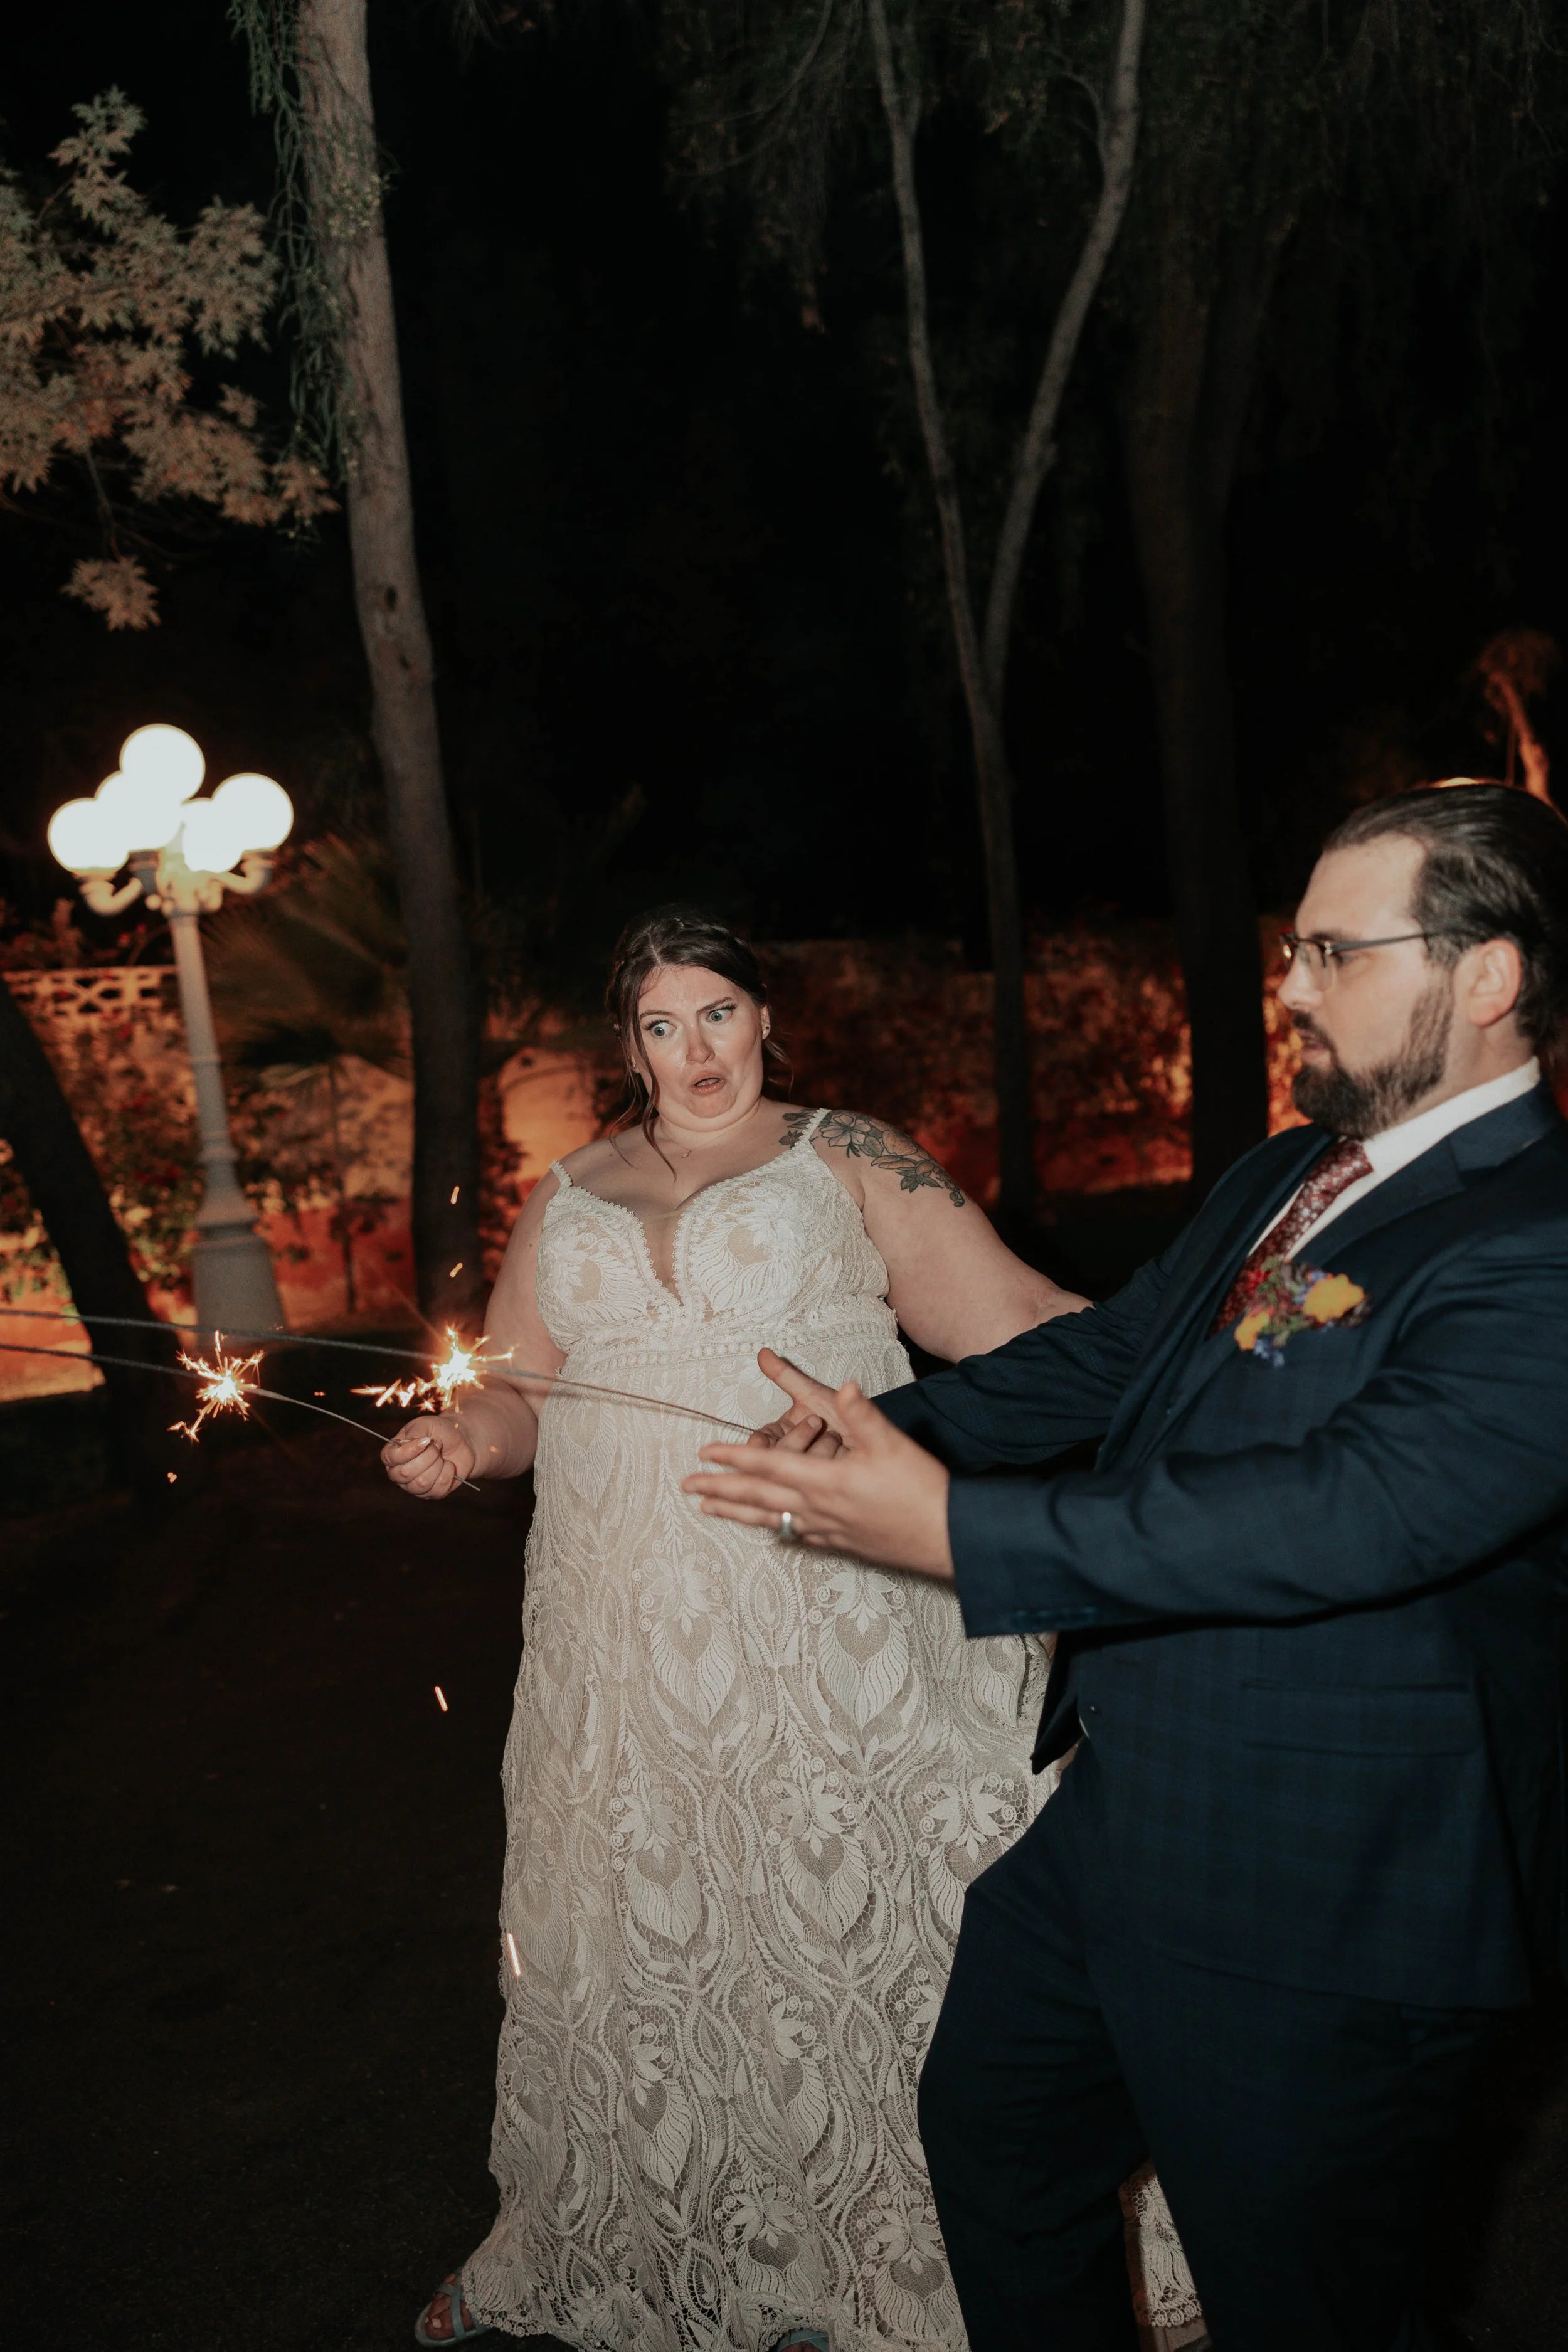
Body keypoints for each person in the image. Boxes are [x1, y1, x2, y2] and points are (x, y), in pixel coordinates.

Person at [687, 784, 1568, 2352]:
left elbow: (1354, 1509)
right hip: (1121, 1815)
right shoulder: (1286, 1169)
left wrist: (960, 1535)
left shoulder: (1534, 1234)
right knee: (996, 2139)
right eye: (1290, 947)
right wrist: (876, 1426)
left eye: (1329, 951)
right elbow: (1114, 1357)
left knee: (1303, 2299)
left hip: (1329, 1872)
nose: (1286, 985)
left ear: (1485, 976)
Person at [383, 905, 1116, 2350]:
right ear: (630, 1044)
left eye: (717, 1012)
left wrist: (1212, 1372)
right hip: (625, 1640)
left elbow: (1015, 1317)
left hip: (833, 1614)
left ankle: (937, 2254)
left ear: (765, 1018)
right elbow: (521, 1390)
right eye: (661, 1025)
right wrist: (462, 1443)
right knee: (646, 1934)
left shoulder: (845, 1154)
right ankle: (662, 2239)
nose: (695, 1049)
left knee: (885, 1915)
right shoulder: (568, 1188)